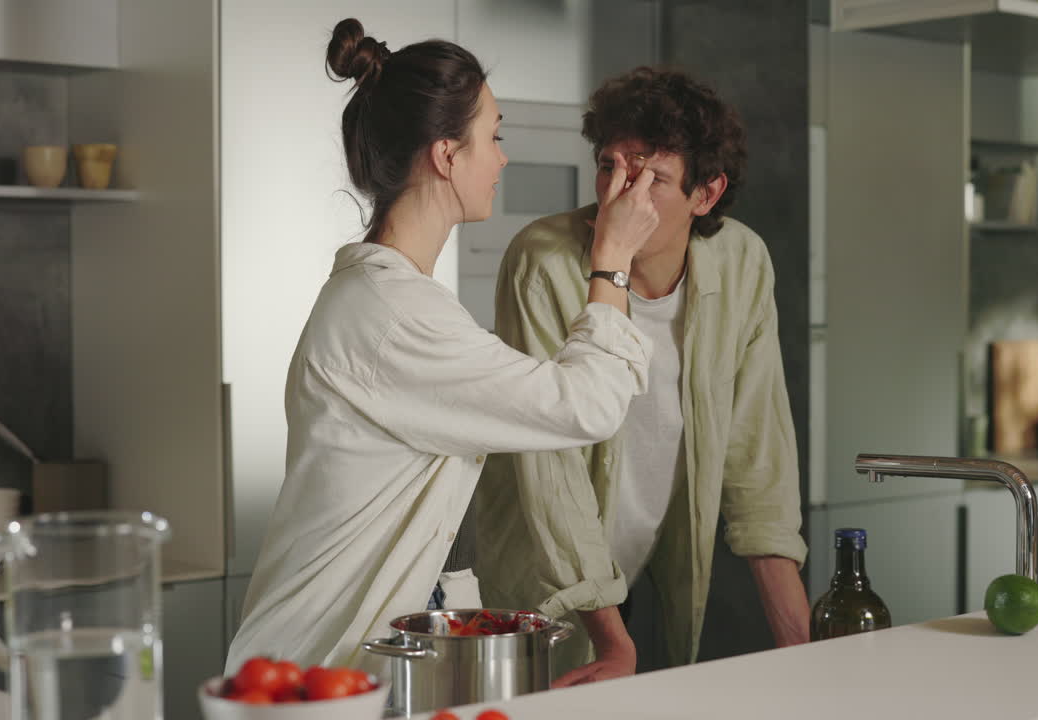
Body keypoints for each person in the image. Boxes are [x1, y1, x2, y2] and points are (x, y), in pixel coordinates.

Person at [224, 19, 661, 672]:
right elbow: (585, 407)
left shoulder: (388, 298)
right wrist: (614, 259)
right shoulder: (394, 316)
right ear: (446, 154)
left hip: (326, 667)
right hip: (307, 676)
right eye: (495, 135)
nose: (503, 158)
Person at [474, 67, 809, 686]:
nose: (621, 193)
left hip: (626, 572)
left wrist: (806, 650)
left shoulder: (740, 261)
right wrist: (612, 640)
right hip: (536, 580)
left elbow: (756, 447)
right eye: (611, 166)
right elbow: (552, 470)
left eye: (653, 176)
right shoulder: (545, 261)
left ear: (706, 195)